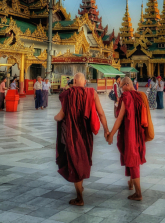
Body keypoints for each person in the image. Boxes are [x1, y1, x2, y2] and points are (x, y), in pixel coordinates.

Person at [54, 73, 109, 206]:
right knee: (82, 159)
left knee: (74, 161)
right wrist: (107, 130)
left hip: (73, 134)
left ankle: (79, 198)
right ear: (84, 82)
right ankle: (80, 188)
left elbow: (60, 116)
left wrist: (55, 118)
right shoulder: (92, 93)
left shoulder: (68, 94)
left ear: (74, 83)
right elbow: (101, 113)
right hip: (86, 134)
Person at [107, 77, 146, 202]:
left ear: (127, 84)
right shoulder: (139, 96)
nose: (121, 89)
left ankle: (138, 193)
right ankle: (131, 183)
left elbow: (119, 118)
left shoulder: (127, 97)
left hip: (130, 133)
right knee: (131, 157)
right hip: (138, 132)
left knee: (132, 159)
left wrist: (111, 134)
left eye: (121, 86)